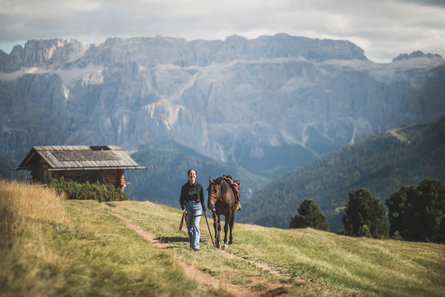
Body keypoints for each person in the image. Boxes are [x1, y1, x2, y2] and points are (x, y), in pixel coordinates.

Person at [179, 169, 206, 251]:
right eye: (190, 174)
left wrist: (204, 209)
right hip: (188, 207)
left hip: (198, 207)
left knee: (195, 225)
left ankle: (196, 246)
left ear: (196, 175)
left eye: (193, 174)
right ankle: (192, 245)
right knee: (190, 229)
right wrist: (184, 209)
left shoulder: (199, 186)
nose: (192, 175)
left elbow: (202, 199)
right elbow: (181, 200)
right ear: (188, 176)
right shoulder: (184, 187)